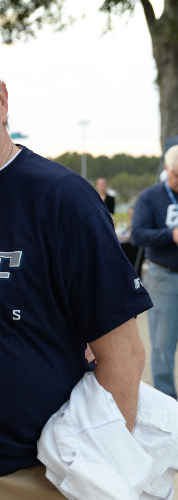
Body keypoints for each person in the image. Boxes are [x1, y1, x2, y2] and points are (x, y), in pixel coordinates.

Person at [0, 32, 152, 498]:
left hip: (36, 476)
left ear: (1, 98)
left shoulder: (63, 200)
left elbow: (124, 356)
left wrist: (97, 474)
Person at [132, 144, 178, 398]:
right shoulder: (151, 197)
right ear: (168, 170)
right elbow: (137, 234)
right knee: (162, 347)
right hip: (164, 278)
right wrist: (170, 234)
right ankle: (170, 405)